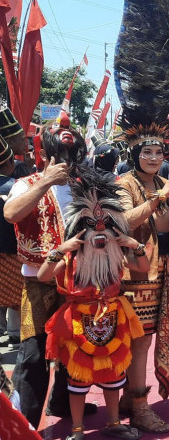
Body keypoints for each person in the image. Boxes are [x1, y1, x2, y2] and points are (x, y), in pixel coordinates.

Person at [38, 170, 147, 440]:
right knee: (78, 379)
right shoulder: (73, 256)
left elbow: (142, 268)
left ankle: (113, 423)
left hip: (112, 318)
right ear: (79, 227)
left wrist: (135, 244)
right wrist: (62, 249)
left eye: (106, 222)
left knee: (113, 374)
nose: (99, 227)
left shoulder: (118, 254)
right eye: (91, 222)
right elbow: (43, 275)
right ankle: (77, 429)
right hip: (77, 322)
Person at [3, 114, 96, 427]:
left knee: (75, 349)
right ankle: (25, 423)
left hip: (78, 283)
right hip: (38, 286)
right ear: (43, 156)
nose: (67, 162)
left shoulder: (83, 186)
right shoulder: (24, 183)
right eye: (60, 156)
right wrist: (44, 182)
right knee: (33, 356)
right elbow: (11, 213)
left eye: (71, 156)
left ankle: (62, 403)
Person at [116, 107, 169, 433]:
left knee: (143, 341)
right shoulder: (124, 183)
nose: (154, 157)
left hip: (160, 273)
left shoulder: (165, 182)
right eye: (147, 151)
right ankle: (140, 407)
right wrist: (158, 197)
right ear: (135, 153)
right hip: (133, 276)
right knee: (136, 342)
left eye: (159, 152)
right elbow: (125, 221)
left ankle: (128, 401)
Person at [0, 136, 21, 351]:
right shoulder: (17, 186)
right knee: (17, 297)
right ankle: (15, 333)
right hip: (13, 250)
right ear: (9, 163)